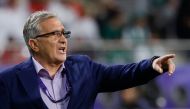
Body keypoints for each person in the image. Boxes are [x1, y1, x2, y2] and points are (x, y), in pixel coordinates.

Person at [0, 11, 175, 109]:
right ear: (34, 44)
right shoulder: (8, 81)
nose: (63, 39)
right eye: (55, 34)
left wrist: (151, 65)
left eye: (64, 33)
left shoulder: (83, 67)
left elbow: (122, 74)